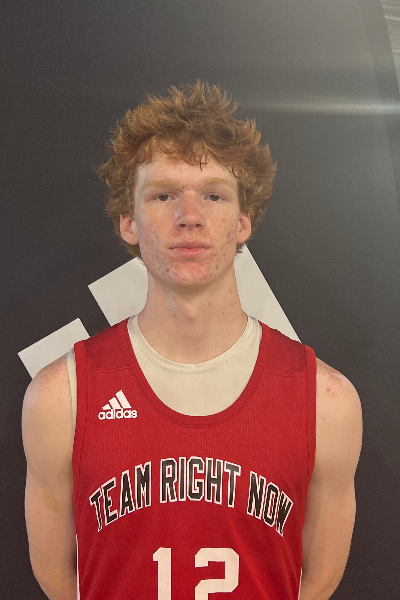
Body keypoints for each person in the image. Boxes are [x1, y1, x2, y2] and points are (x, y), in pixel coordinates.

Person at [22, 81, 362, 600]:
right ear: (128, 222)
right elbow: (61, 579)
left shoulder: (327, 401)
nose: (189, 216)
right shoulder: (58, 396)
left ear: (243, 221)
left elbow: (314, 581)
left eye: (213, 195)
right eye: (163, 195)